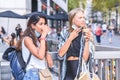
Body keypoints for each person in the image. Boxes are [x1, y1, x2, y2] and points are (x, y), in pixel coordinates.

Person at [58, 8, 93, 80]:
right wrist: (70, 38)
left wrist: (87, 41)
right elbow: (60, 54)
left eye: (84, 17)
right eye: (80, 18)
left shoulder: (87, 33)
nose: (83, 20)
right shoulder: (65, 33)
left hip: (81, 71)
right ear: (72, 20)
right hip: (67, 71)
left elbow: (85, 59)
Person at [16, 14, 52, 80]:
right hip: (33, 74)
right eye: (41, 24)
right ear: (33, 25)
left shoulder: (39, 39)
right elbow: (40, 56)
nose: (43, 26)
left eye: (45, 24)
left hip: (42, 73)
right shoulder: (27, 39)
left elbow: (48, 61)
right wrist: (43, 36)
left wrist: (47, 53)